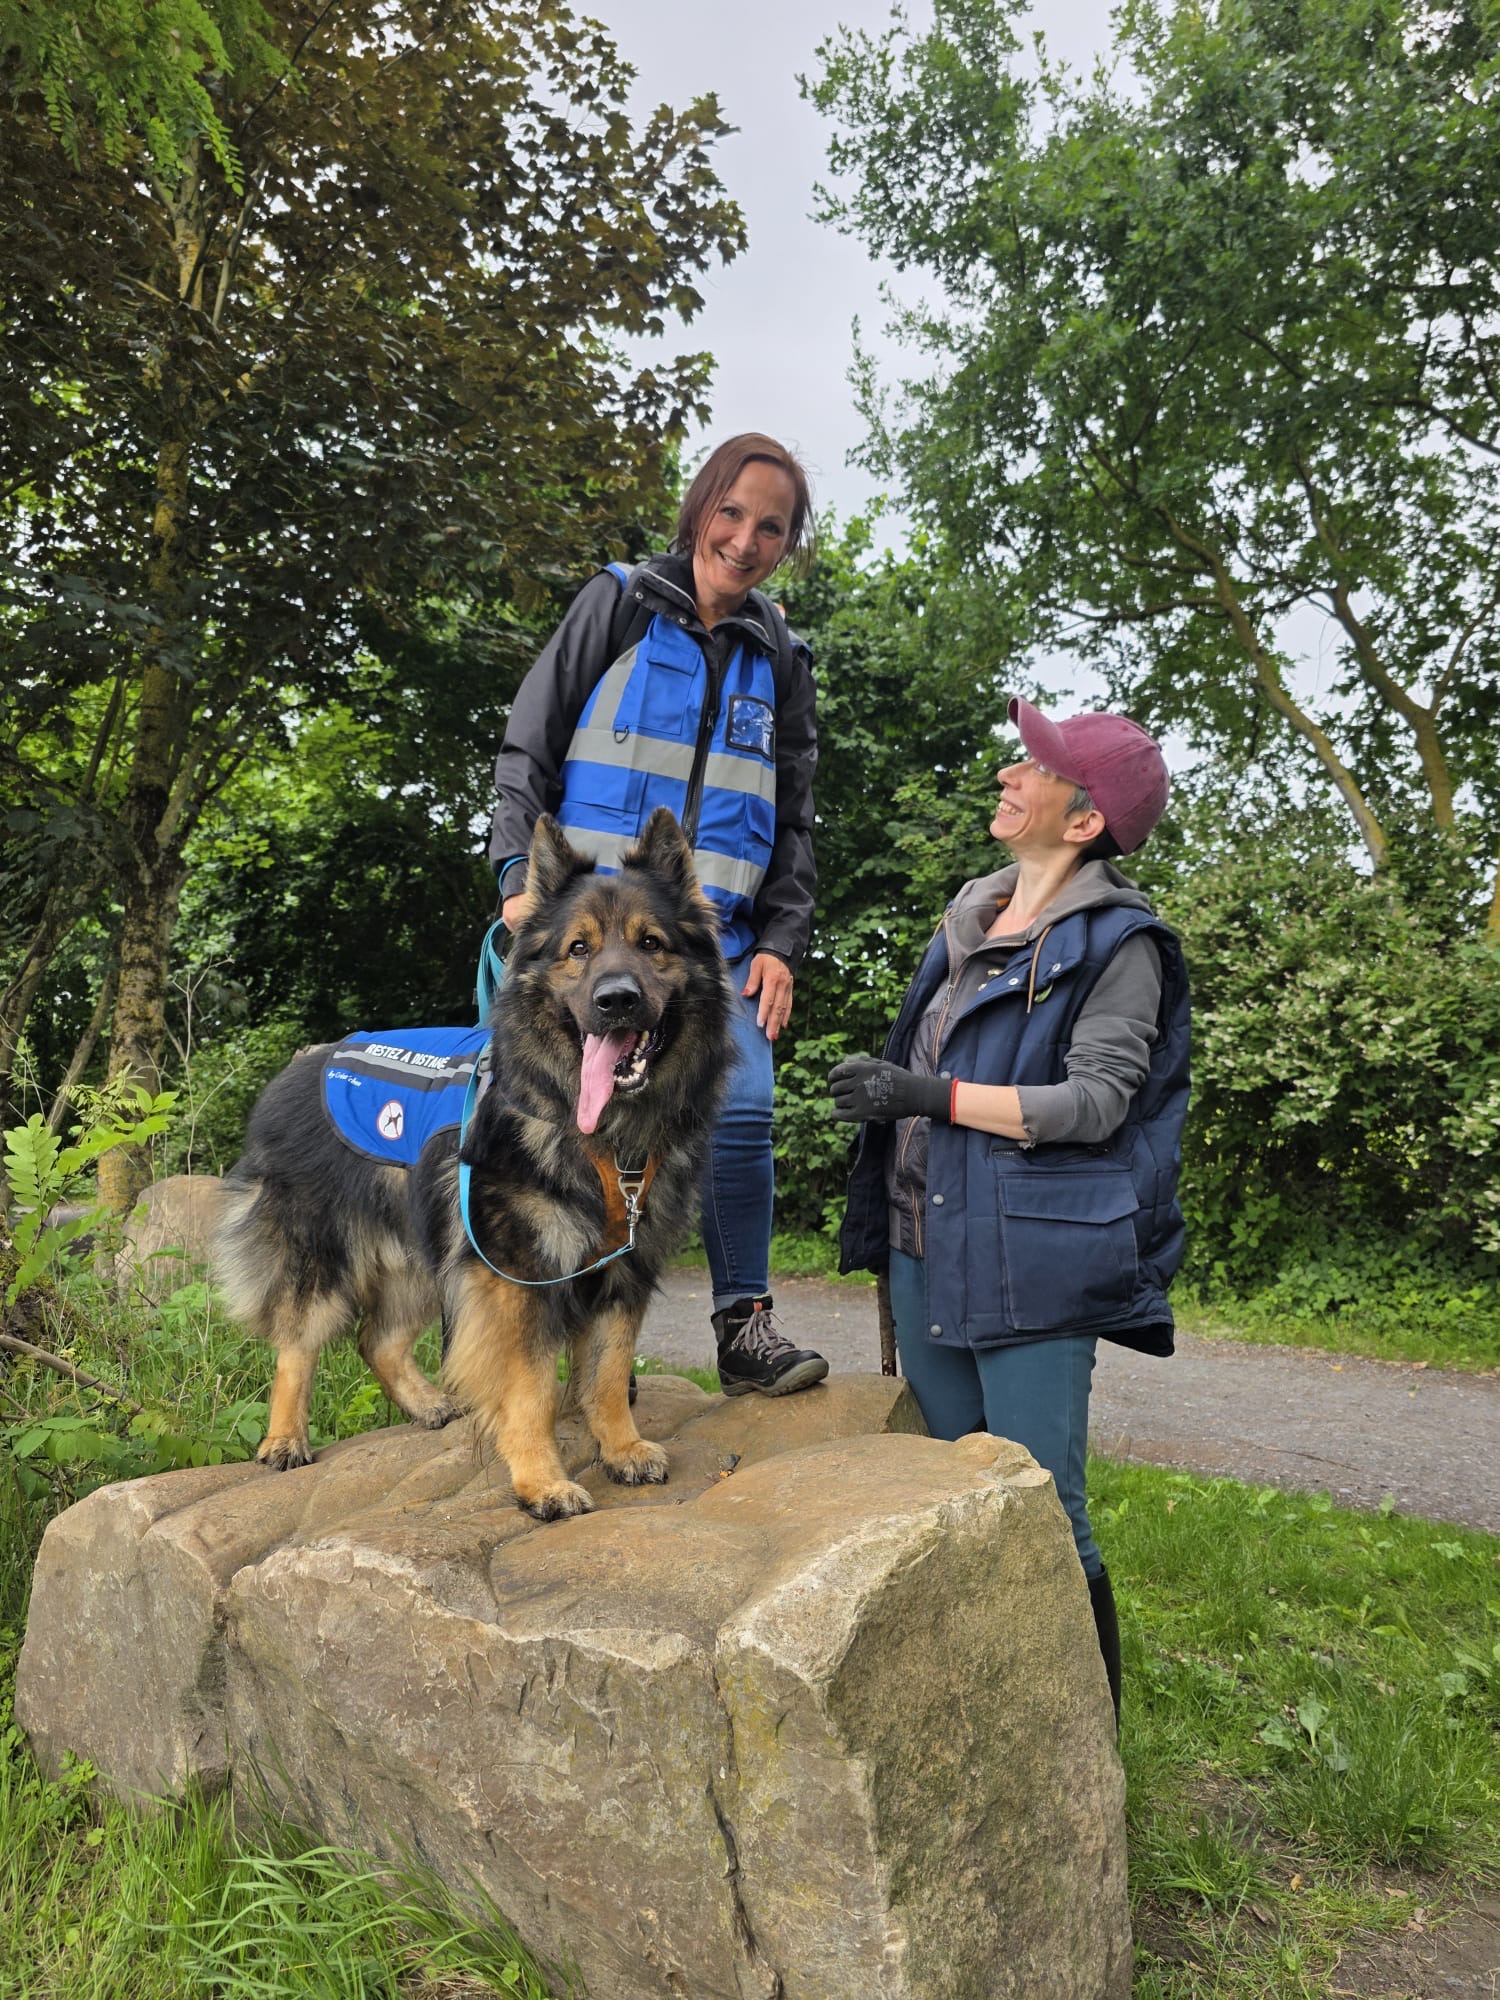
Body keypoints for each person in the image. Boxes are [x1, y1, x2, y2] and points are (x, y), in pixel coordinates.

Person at [829, 697, 1189, 1723]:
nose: (1009, 772)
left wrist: (928, 1096)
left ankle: (1088, 1747)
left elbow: (1096, 1102)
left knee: (1045, 1512)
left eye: (1036, 766)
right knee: (955, 1492)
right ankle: (991, 1724)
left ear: (1085, 819)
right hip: (923, 1238)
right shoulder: (971, 914)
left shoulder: (1121, 943)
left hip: (1031, 1259)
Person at [488, 434, 829, 1397]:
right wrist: (516, 877)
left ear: (788, 544)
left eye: (772, 527)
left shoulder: (782, 657)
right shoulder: (619, 603)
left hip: (704, 952)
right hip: (576, 939)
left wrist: (781, 943)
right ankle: (550, 1341)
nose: (746, 540)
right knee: (539, 1123)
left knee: (743, 1111)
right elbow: (527, 748)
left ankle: (744, 1326)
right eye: (732, 512)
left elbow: (794, 821)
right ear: (699, 508)